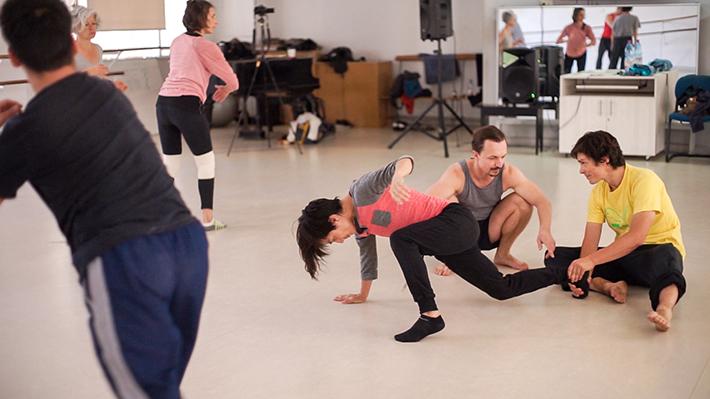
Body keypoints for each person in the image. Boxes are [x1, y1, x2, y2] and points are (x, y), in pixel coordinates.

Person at [0, 0, 209, 397]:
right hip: (187, 243)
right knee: (163, 387)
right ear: (73, 43)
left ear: (13, 57)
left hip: (127, 260)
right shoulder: (109, 95)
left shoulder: (26, 130)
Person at [296, 156, 572, 342]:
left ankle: (429, 315)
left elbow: (404, 161)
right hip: (444, 238)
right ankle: (563, 272)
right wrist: (362, 294)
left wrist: (398, 178)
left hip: (456, 221)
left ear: (334, 219)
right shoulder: (360, 226)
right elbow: (368, 258)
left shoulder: (363, 190)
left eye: (333, 239)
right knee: (501, 289)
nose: (340, 241)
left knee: (401, 239)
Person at [545, 131, 686, 332]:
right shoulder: (598, 193)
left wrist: (591, 262)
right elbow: (590, 242)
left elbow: (637, 237)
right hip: (625, 255)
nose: (581, 170)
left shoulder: (644, 180)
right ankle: (608, 286)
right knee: (555, 258)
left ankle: (664, 308)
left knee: (667, 257)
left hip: (656, 251)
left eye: (584, 163)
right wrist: (582, 277)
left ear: (604, 160)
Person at [426, 125, 556, 277]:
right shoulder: (457, 173)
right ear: (475, 155)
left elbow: (542, 201)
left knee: (523, 203)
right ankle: (454, 257)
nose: (499, 163)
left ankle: (503, 254)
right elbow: (427, 201)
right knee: (447, 199)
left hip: (490, 230)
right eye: (493, 158)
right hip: (461, 231)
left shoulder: (508, 172)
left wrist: (545, 230)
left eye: (503, 156)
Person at [157, 0, 239, 231]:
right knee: (205, 162)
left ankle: (161, 217)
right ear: (201, 18)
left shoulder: (177, 42)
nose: (216, 20)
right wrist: (226, 89)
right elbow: (232, 79)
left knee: (170, 164)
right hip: (185, 105)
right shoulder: (206, 46)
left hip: (163, 104)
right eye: (212, 16)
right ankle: (208, 220)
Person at [70, 5, 127, 91]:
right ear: (76, 27)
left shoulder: (98, 49)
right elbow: (63, 82)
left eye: (93, 23)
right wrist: (89, 72)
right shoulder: (68, 50)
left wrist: (113, 86)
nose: (91, 28)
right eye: (86, 24)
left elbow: (99, 79)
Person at [556, 7, 596, 74]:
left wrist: (585, 45)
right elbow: (558, 40)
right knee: (566, 72)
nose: (583, 16)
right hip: (570, 53)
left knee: (581, 73)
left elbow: (593, 41)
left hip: (581, 53)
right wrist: (568, 40)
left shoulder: (586, 28)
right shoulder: (569, 27)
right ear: (575, 15)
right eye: (580, 14)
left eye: (583, 14)